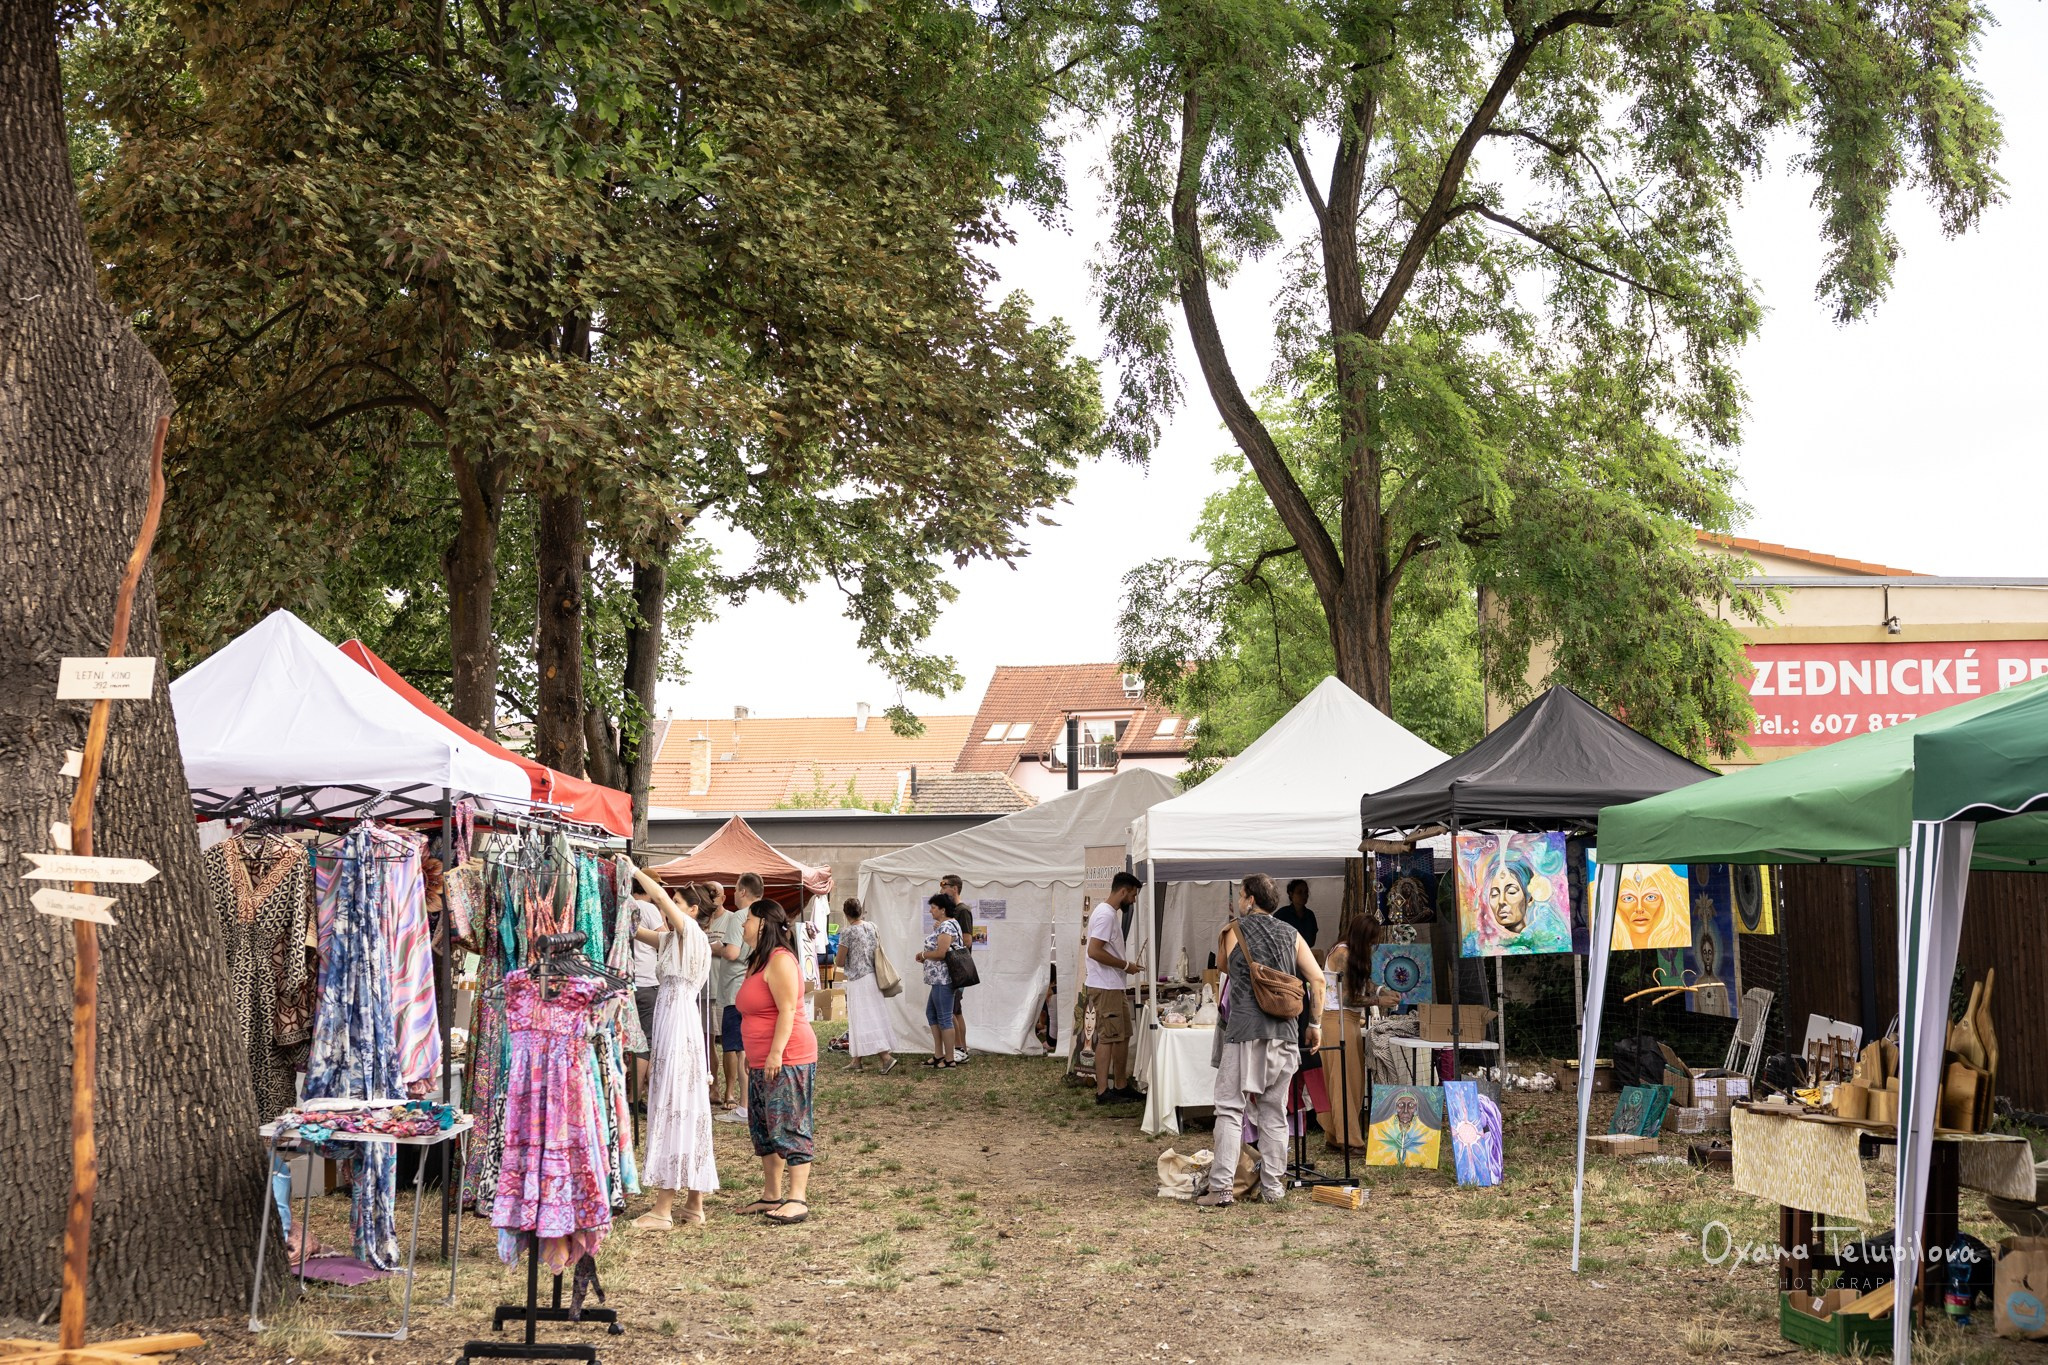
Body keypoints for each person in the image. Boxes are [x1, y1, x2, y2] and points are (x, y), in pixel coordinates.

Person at [1196, 873, 1325, 1208]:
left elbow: (1225, 976)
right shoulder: (1292, 934)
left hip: (1244, 1033)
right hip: (1284, 1033)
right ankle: (1273, 1188)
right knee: (1273, 1112)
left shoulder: (1232, 932)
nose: (1240, 901)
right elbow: (1318, 981)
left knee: (1228, 1109)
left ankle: (1222, 1189)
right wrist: (1315, 1024)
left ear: (1250, 899)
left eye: (1241, 895)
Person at [632, 884, 718, 1228]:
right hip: (676, 1022)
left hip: (678, 1023)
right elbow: (635, 932)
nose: (667, 908)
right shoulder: (672, 940)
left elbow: (664, 902)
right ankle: (694, 1204)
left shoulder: (691, 933)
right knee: (686, 1103)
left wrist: (638, 872)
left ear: (692, 910)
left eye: (677, 904)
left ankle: (663, 1208)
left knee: (675, 1102)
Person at [735, 900, 817, 1225]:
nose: (743, 926)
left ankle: (798, 1198)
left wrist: (774, 1053)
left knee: (790, 1125)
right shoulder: (757, 961)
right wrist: (754, 1057)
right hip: (762, 1060)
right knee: (764, 1128)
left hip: (789, 1057)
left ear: (763, 924)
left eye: (747, 920)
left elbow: (786, 1011)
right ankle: (772, 1194)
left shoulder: (781, 960)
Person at [1085, 871, 1145, 1104]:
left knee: (1122, 1035)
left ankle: (1120, 1085)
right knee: (1109, 1037)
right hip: (1105, 985)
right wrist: (1125, 965)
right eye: (1132, 894)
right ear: (1122, 891)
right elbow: (1094, 951)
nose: (1134, 900)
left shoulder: (1109, 914)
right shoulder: (1105, 915)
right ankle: (1103, 1092)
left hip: (1113, 984)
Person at [834, 898, 897, 1074]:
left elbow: (840, 960)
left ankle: (886, 1057)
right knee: (871, 1016)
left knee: (863, 1018)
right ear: (861, 910)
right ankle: (856, 1060)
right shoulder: (872, 927)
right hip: (872, 977)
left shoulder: (848, 932)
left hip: (857, 979)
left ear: (846, 914)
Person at [707, 877, 749, 1119]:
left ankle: (735, 1097)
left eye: (714, 894)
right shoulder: (699, 920)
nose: (710, 898)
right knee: (714, 1043)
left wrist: (713, 947)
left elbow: (731, 952)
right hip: (710, 990)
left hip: (730, 991)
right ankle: (716, 1088)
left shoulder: (735, 918)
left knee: (734, 1046)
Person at [914, 893, 963, 1068]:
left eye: (933, 907)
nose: (930, 910)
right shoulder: (945, 925)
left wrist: (923, 955)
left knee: (944, 1018)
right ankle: (939, 1054)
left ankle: (949, 1059)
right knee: (932, 1014)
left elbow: (941, 953)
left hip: (944, 979)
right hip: (938, 979)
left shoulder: (947, 927)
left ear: (943, 910)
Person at [629, 891, 664, 1110]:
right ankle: (636, 1096)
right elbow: (666, 940)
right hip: (647, 980)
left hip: (624, 979)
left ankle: (630, 1094)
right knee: (646, 1041)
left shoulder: (620, 902)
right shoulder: (649, 908)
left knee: (630, 1039)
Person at [940, 874, 972, 1060]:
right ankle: (962, 1049)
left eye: (945, 885)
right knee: (956, 1009)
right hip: (950, 967)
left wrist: (946, 938)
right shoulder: (953, 911)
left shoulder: (962, 911)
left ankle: (960, 1048)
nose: (942, 889)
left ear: (955, 888)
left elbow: (966, 940)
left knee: (952, 1009)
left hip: (958, 967)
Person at [1277, 879, 1320, 952]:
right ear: (1291, 894)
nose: (1304, 895)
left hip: (1304, 955)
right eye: (1299, 892)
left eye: (1306, 892)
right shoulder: (1281, 914)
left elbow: (1311, 941)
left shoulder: (1310, 915)